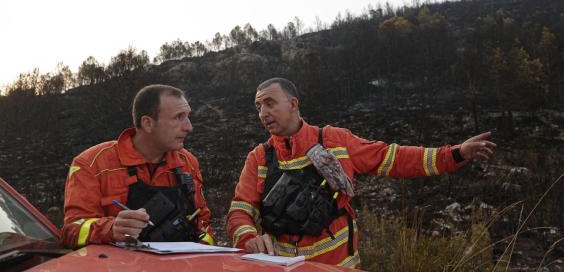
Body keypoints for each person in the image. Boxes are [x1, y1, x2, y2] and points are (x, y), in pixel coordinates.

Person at [226, 78, 495, 268]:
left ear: (293, 103)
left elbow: (393, 158)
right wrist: (249, 239)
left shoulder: (334, 140)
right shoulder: (258, 158)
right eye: (258, 107)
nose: (263, 113)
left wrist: (456, 153)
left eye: (270, 103)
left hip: (340, 267)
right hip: (285, 269)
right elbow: (239, 210)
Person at [61, 84, 215, 249]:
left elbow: (203, 223)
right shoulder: (92, 164)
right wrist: (111, 229)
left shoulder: (188, 163)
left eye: (187, 117)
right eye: (178, 117)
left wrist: (201, 252)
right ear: (148, 123)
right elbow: (71, 231)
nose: (189, 127)